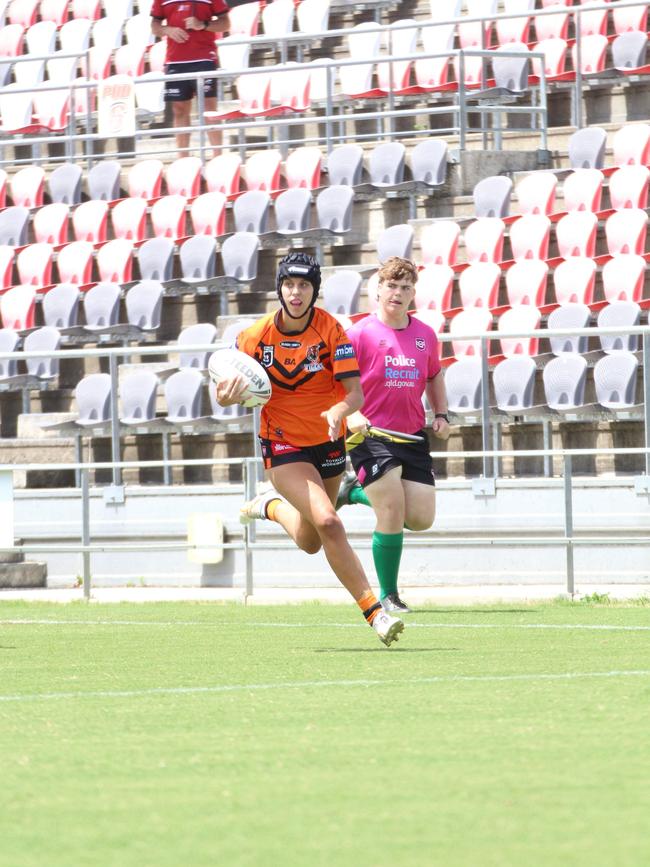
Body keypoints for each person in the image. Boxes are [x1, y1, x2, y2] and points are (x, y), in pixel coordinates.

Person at [214, 251, 405, 647]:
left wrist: (339, 408)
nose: (295, 292)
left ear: (314, 290)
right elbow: (222, 390)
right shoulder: (255, 336)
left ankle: (271, 506)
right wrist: (227, 395)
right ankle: (375, 613)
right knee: (330, 521)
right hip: (283, 444)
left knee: (312, 539)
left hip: (328, 442)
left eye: (303, 285)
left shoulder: (332, 332)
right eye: (288, 284)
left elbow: (355, 393)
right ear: (279, 288)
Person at [336, 256, 450, 615]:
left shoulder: (425, 335)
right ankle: (388, 595)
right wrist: (350, 415)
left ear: (413, 293)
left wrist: (442, 413)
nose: (397, 293)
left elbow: (434, 376)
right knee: (390, 508)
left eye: (405, 288)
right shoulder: (358, 334)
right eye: (391, 286)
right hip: (368, 434)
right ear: (378, 289)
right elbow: (333, 383)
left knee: (420, 518)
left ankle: (351, 490)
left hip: (412, 434)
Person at [151, 0, 231, 159]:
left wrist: (203, 24)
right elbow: (155, 25)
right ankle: (183, 160)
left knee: (209, 110)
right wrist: (167, 30)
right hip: (176, 61)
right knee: (179, 111)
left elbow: (225, 23)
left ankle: (218, 158)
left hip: (204, 58)